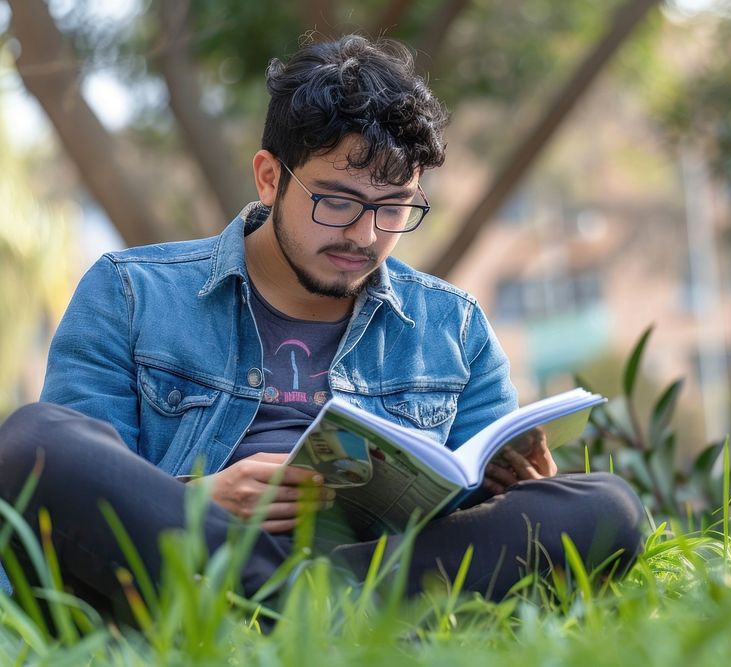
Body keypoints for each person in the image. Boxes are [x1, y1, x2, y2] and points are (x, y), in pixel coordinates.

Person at [0, 35, 644, 620]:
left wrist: (521, 490)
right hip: (175, 570)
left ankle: (285, 606)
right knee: (32, 441)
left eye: (393, 209)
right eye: (337, 201)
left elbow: (476, 513)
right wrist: (199, 500)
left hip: (378, 568)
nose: (364, 235)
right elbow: (78, 492)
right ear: (269, 176)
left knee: (605, 506)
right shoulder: (131, 291)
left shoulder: (454, 327)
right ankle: (300, 601)